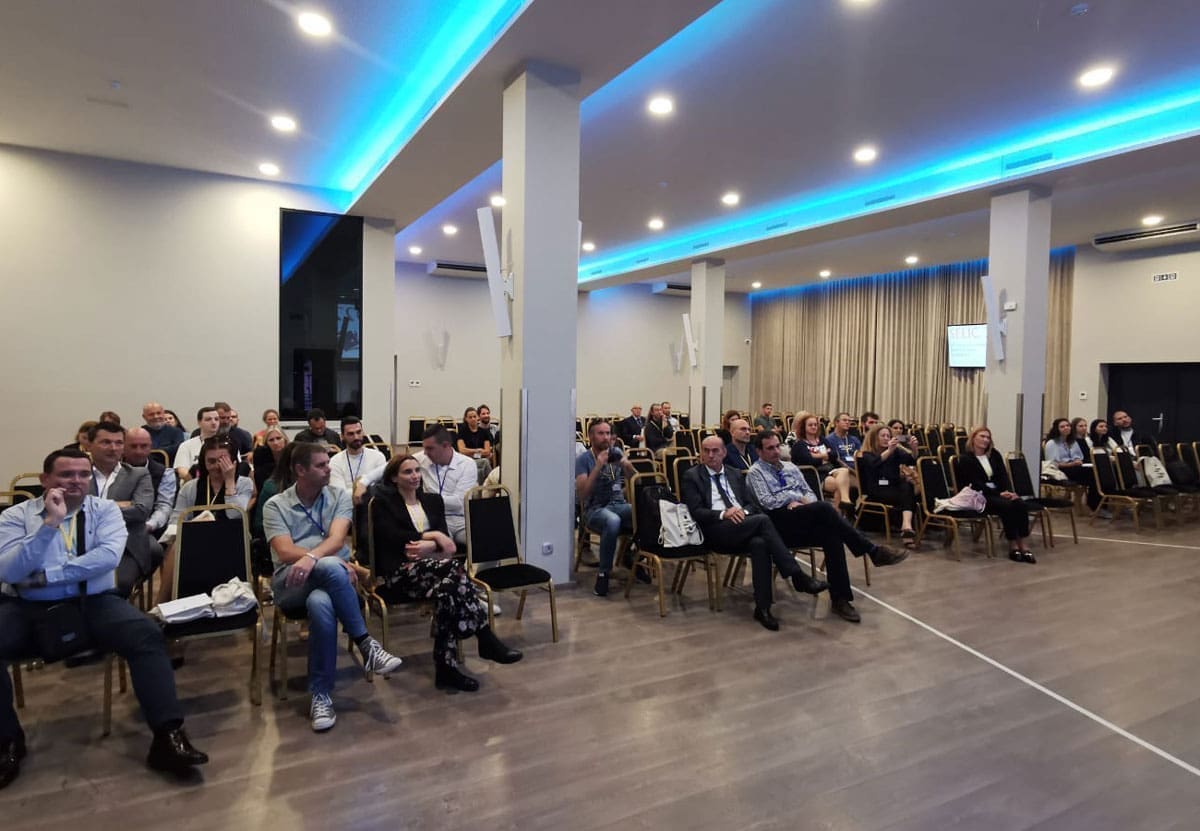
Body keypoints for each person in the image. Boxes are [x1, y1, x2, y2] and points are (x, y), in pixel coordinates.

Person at [0, 449, 208, 789]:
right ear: (45, 479)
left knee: (146, 634)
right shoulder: (15, 516)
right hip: (27, 605)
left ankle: (167, 736)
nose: (76, 481)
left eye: (83, 474)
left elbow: (107, 558)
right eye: (66, 475)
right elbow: (9, 571)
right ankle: (7, 741)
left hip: (94, 600)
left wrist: (46, 575)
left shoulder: (105, 510)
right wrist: (50, 525)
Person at [263, 442, 402, 732]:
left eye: (328, 463)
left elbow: (338, 540)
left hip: (333, 581)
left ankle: (321, 695)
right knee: (329, 565)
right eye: (321, 465)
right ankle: (366, 643)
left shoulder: (339, 496)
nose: (329, 469)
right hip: (291, 581)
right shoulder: (275, 505)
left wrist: (314, 558)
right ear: (300, 470)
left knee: (320, 603)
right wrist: (327, 560)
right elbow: (285, 552)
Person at [366, 454, 522, 691]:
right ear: (394, 478)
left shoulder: (432, 501)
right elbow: (392, 538)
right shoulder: (382, 503)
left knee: (448, 592)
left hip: (436, 571)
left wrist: (431, 545)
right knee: (454, 571)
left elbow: (447, 542)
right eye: (407, 472)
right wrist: (432, 537)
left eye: (417, 470)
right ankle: (483, 638)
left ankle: (447, 668)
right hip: (399, 574)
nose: (415, 476)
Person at [749, 432, 906, 622]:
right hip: (778, 524)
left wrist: (804, 502)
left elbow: (810, 493)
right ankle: (872, 551)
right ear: (759, 451)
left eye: (777, 446)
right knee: (825, 508)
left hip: (801, 514)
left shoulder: (790, 467)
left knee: (832, 534)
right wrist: (795, 498)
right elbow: (767, 502)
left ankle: (840, 599)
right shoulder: (755, 472)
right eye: (770, 448)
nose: (776, 451)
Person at [681, 436, 828, 631]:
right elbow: (696, 511)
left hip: (743, 524)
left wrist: (743, 511)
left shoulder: (734, 473)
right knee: (763, 520)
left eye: (715, 450)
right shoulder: (692, 476)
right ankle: (797, 576)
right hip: (715, 529)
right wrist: (724, 513)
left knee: (760, 543)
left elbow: (751, 504)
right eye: (706, 450)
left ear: (724, 452)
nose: (710, 455)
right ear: (701, 453)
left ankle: (763, 608)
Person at [156, 437, 254, 605]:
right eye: (211, 461)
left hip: (233, 540)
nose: (216, 466)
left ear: (232, 462)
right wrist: (192, 525)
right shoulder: (190, 487)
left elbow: (234, 514)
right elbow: (175, 520)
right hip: (196, 539)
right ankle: (163, 603)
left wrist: (229, 481)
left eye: (222, 461)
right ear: (203, 462)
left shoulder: (244, 483)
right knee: (176, 546)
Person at [88, 421, 157, 596]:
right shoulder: (78, 474)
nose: (113, 448)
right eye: (106, 442)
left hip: (125, 546)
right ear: (89, 445)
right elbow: (68, 509)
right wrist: (118, 505)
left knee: (117, 584)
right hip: (81, 543)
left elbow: (141, 511)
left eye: (118, 443)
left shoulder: (138, 474)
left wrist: (91, 506)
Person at [575, 420, 637, 597]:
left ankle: (630, 557)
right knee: (613, 521)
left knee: (642, 512)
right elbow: (583, 495)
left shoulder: (616, 453)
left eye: (608, 433)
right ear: (591, 436)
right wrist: (598, 466)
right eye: (601, 433)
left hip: (618, 504)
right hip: (594, 509)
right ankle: (604, 573)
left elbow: (636, 480)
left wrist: (627, 465)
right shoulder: (583, 459)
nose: (606, 437)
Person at [958, 427, 1036, 563]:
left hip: (998, 492)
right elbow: (975, 483)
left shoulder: (994, 454)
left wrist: (1009, 492)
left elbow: (1003, 476)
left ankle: (1023, 543)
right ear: (973, 438)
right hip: (979, 495)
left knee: (1019, 504)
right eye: (982, 436)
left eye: (988, 437)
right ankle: (1013, 545)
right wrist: (999, 493)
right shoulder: (966, 458)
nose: (985, 440)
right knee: (1007, 506)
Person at [415, 426, 477, 546]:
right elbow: (390, 466)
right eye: (424, 448)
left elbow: (459, 503)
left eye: (430, 448)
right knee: (434, 546)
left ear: (446, 445)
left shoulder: (467, 464)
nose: (425, 453)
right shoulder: (423, 458)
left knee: (487, 542)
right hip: (435, 518)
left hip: (461, 519)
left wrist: (426, 499)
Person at [858, 424, 918, 546]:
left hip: (893, 487)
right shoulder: (866, 454)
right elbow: (874, 464)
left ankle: (906, 526)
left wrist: (914, 449)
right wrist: (889, 451)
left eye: (888, 436)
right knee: (907, 494)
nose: (886, 438)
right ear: (874, 438)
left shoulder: (895, 452)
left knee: (907, 486)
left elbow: (911, 460)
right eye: (883, 436)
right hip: (876, 488)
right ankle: (906, 530)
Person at [790, 411, 856, 508]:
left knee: (844, 471)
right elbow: (809, 460)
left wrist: (816, 455)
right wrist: (824, 455)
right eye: (810, 425)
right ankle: (839, 511)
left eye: (815, 425)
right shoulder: (800, 444)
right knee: (840, 486)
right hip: (815, 474)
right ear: (804, 427)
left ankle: (844, 502)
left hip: (829, 470)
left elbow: (834, 454)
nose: (814, 427)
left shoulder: (821, 439)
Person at [124, 427, 176, 540]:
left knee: (153, 548)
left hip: (147, 530)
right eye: (133, 446)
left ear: (151, 447)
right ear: (124, 446)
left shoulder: (165, 473)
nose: (138, 451)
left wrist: (150, 525)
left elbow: (164, 506)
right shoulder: (114, 469)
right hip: (114, 527)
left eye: (144, 446)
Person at [1044, 418, 1099, 510]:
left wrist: (1077, 461)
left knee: (1096, 473)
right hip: (1060, 469)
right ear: (1057, 429)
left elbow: (1078, 456)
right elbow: (1053, 464)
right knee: (1092, 475)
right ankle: (1091, 504)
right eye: (1062, 427)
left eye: (1068, 426)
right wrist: (1072, 464)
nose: (1066, 428)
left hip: (1074, 466)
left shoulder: (1072, 441)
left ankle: (1093, 502)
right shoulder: (1052, 443)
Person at [329, 417, 386, 501]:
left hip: (373, 504)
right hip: (346, 505)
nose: (356, 437)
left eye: (359, 432)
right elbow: (340, 495)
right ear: (342, 436)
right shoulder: (335, 461)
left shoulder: (378, 457)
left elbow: (382, 489)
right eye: (351, 434)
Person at [173, 406, 221, 481]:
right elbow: (182, 472)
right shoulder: (186, 445)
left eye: (216, 419)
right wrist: (199, 483)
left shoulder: (228, 444)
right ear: (199, 422)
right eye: (208, 419)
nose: (213, 422)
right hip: (193, 483)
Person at [252, 426, 289, 495]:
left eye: (278, 438)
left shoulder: (292, 452)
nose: (275, 443)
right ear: (266, 443)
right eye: (271, 440)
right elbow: (260, 480)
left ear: (285, 439)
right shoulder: (260, 454)